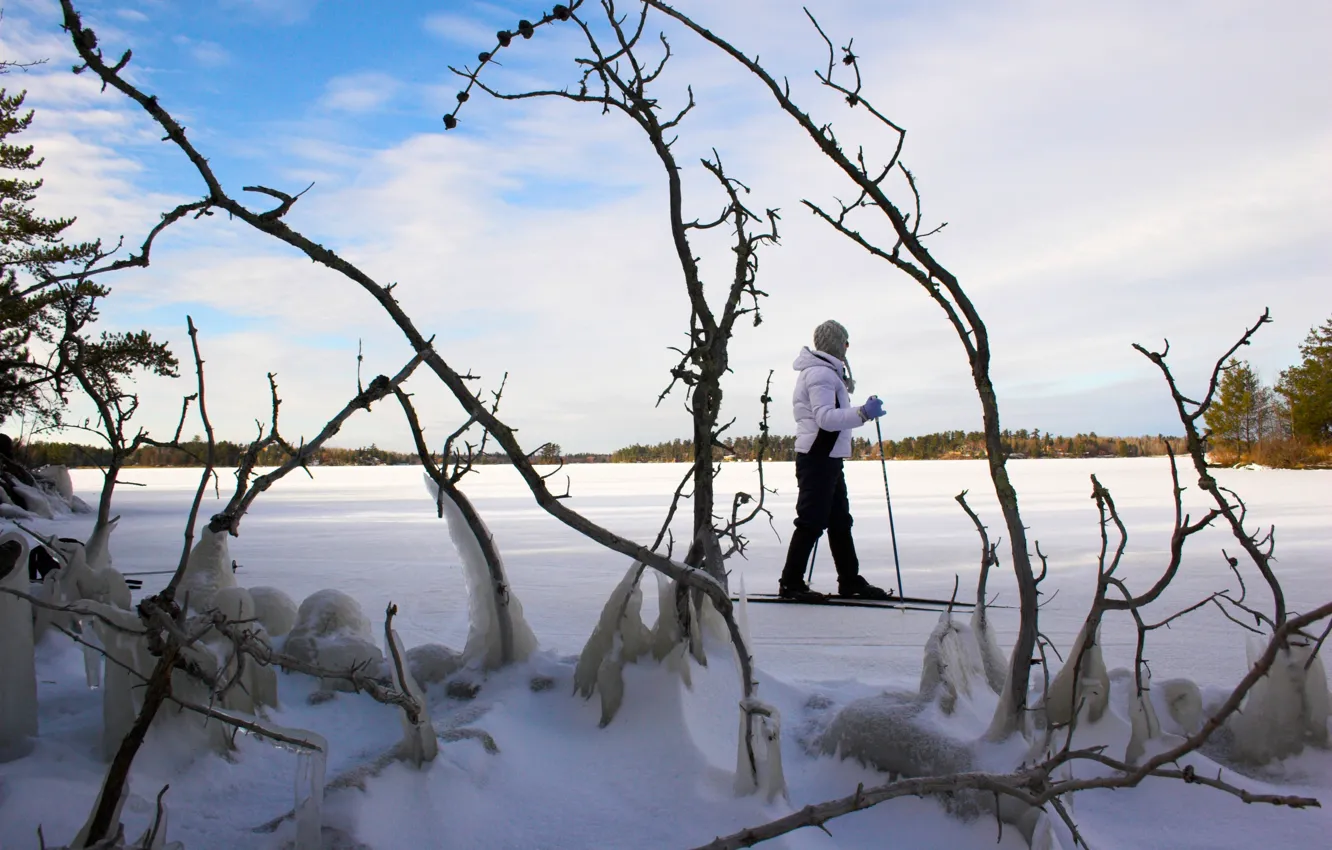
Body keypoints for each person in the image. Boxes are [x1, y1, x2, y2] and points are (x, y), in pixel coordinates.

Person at [778, 320, 893, 602]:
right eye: (845, 341)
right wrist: (864, 413)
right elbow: (826, 419)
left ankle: (850, 581)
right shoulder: (821, 374)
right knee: (811, 521)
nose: (847, 347)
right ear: (836, 343)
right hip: (816, 457)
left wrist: (860, 410)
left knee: (840, 521)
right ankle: (791, 583)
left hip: (827, 458)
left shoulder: (828, 373)